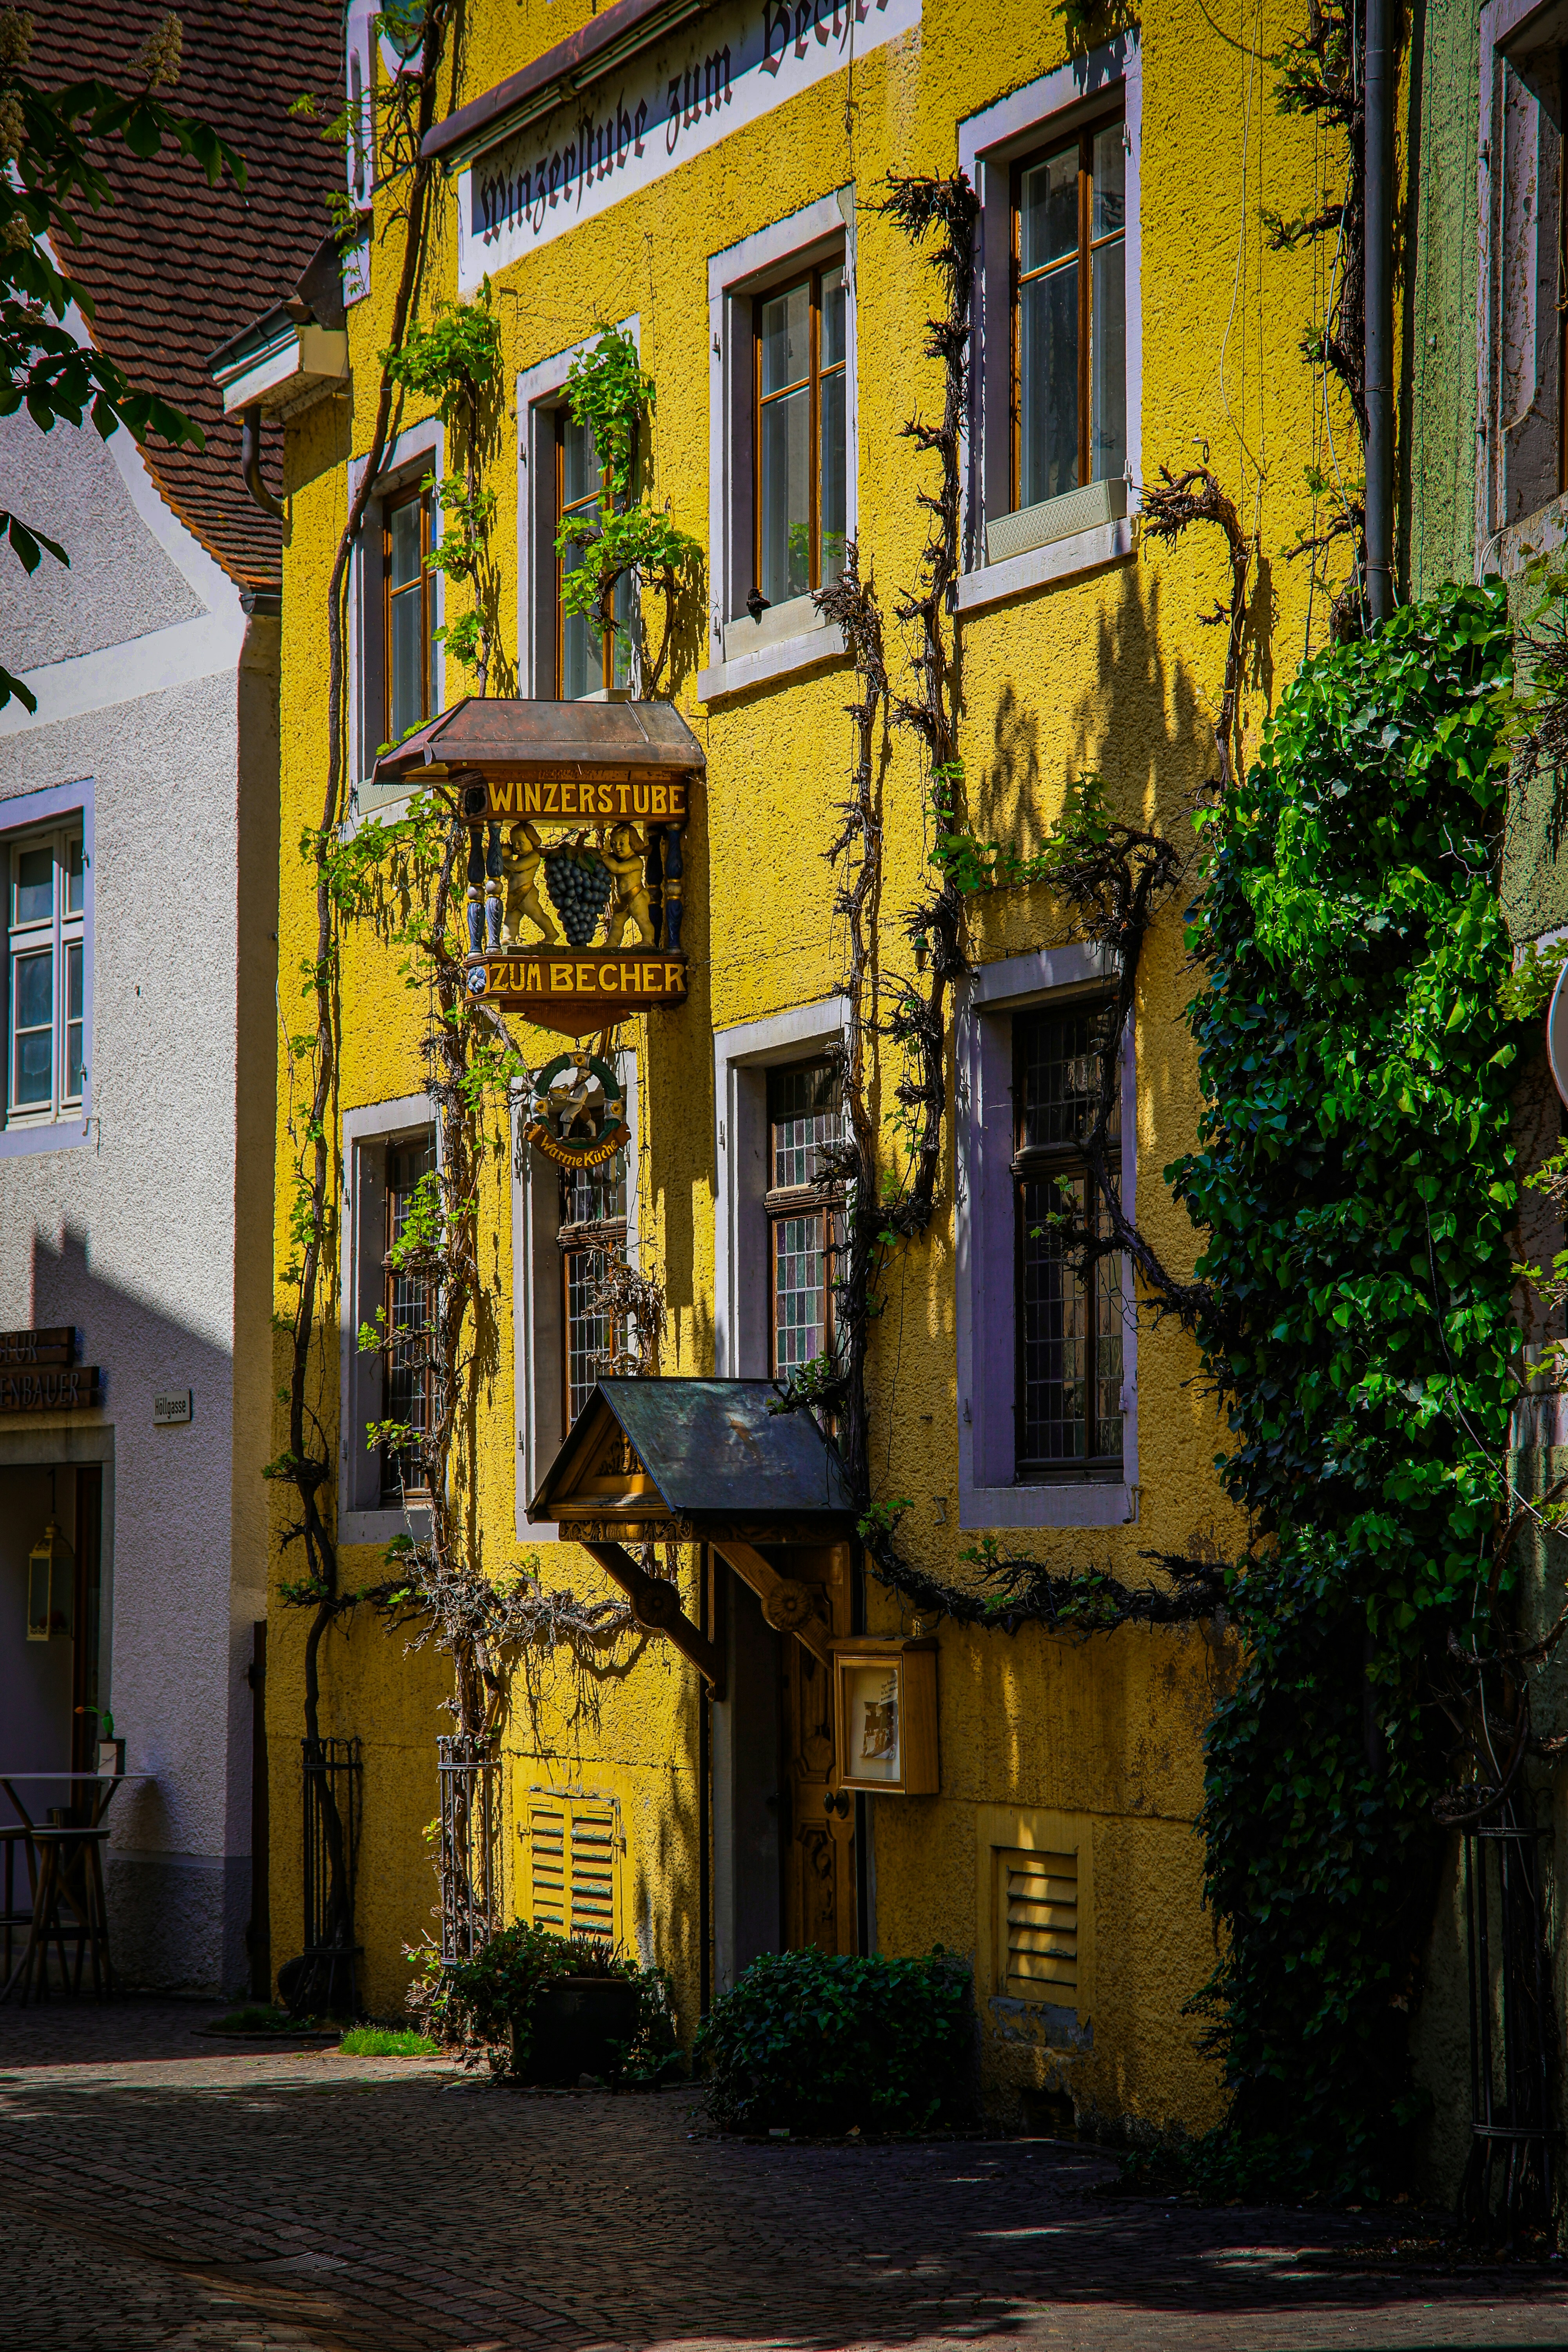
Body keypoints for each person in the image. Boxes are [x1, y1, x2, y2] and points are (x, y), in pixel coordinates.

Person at [499, 819, 560, 945]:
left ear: (532, 841)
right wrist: (501, 862)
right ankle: (509, 937)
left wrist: (505, 858)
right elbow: (510, 874)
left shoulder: (533, 857)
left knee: (536, 914)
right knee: (511, 918)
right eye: (514, 843)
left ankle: (551, 933)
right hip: (514, 894)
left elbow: (517, 868)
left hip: (527, 892)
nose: (517, 846)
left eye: (521, 842)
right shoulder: (517, 859)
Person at [598, 821, 657, 949]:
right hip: (623, 898)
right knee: (617, 923)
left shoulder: (636, 861)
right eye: (614, 844)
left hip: (636, 897)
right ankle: (612, 943)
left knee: (642, 920)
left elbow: (618, 869)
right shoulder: (620, 859)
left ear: (632, 843)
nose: (617, 847)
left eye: (622, 843)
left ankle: (649, 940)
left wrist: (605, 858)